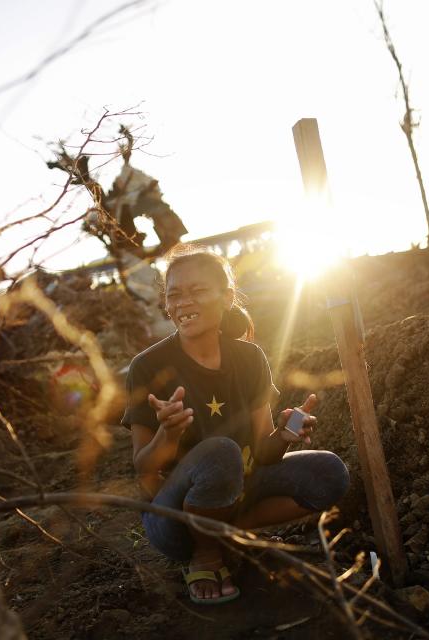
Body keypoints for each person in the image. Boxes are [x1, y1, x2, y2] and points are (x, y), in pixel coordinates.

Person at [121, 244, 350, 604]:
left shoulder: (250, 358)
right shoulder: (147, 366)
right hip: (172, 519)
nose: (183, 302)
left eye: (197, 291)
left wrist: (285, 435)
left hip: (237, 492)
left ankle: (222, 535)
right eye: (174, 294)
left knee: (328, 472)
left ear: (227, 297)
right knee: (220, 452)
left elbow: (263, 452)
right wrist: (169, 432)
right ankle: (204, 555)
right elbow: (143, 468)